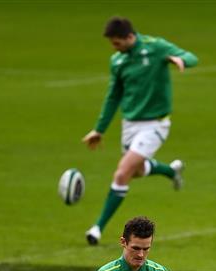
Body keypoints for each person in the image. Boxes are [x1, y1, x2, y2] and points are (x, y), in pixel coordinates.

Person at [82, 17, 198, 245]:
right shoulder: (117, 61)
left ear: (130, 37)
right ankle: (171, 171)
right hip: (130, 125)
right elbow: (113, 96)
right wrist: (99, 129)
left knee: (122, 173)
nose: (114, 48)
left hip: (155, 124)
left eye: (116, 43)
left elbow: (192, 57)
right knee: (137, 171)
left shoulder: (156, 48)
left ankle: (97, 228)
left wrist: (180, 59)